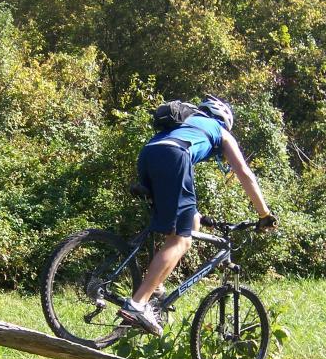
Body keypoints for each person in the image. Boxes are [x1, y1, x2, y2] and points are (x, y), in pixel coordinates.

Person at [118, 95, 277, 336]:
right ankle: (138, 303)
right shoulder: (220, 131)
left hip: (148, 155)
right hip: (174, 157)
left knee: (189, 224)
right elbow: (244, 173)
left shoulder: (185, 123)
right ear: (224, 119)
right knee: (180, 241)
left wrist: (196, 216)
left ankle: (157, 285)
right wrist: (264, 214)